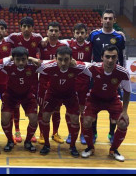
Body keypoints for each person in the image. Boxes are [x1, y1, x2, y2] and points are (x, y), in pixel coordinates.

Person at [81, 45, 131, 162]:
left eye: (113, 57)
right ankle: (90, 148)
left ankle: (114, 150)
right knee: (86, 120)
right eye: (107, 57)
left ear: (117, 58)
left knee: (123, 123)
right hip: (94, 99)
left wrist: (124, 112)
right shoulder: (93, 67)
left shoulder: (123, 72)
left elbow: (127, 91)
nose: (110, 60)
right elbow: (78, 65)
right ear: (102, 57)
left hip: (112, 99)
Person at [36, 46, 88, 157]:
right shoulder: (49, 66)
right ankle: (46, 144)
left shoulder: (77, 66)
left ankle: (73, 146)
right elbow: (33, 66)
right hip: (52, 94)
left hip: (70, 94)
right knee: (45, 116)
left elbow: (94, 67)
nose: (63, 63)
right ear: (55, 59)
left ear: (71, 59)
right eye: (60, 59)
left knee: (75, 118)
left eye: (66, 59)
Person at [87, 9, 126, 144]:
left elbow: (122, 57)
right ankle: (94, 133)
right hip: (97, 75)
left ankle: (111, 133)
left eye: (110, 18)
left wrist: (122, 76)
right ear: (101, 20)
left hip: (113, 76)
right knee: (93, 105)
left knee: (114, 107)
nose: (108, 21)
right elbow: (87, 52)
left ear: (114, 20)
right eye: (105, 18)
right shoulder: (93, 35)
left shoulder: (120, 36)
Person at [53, 23, 93, 145]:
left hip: (85, 82)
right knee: (70, 110)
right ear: (73, 33)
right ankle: (71, 132)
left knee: (82, 110)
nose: (79, 35)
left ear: (86, 33)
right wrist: (44, 38)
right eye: (77, 33)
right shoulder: (68, 44)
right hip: (72, 81)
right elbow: (54, 39)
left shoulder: (91, 45)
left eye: (82, 33)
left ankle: (82, 134)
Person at [5, 16, 43, 143]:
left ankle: (32, 133)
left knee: (32, 107)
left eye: (29, 26)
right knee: (15, 106)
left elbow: (43, 45)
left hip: (31, 75)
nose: (26, 29)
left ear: (32, 28)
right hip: (16, 72)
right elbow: (1, 42)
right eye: (24, 26)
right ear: (20, 27)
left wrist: (31, 59)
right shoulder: (13, 37)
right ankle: (17, 130)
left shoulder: (38, 38)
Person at [0, 47, 39, 153]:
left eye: (23, 59)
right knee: (4, 119)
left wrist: (34, 59)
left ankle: (27, 142)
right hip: (10, 95)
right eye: (18, 59)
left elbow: (50, 63)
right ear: (13, 59)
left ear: (27, 59)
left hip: (27, 95)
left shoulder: (33, 66)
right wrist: (7, 59)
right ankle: (10, 141)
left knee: (34, 119)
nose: (21, 62)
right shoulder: (7, 65)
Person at [38, 21, 68, 145]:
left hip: (57, 82)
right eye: (51, 30)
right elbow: (38, 61)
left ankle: (55, 133)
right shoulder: (41, 45)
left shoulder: (64, 46)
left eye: (56, 30)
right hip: (44, 81)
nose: (53, 33)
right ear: (47, 32)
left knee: (56, 109)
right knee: (42, 109)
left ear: (60, 33)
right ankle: (41, 133)